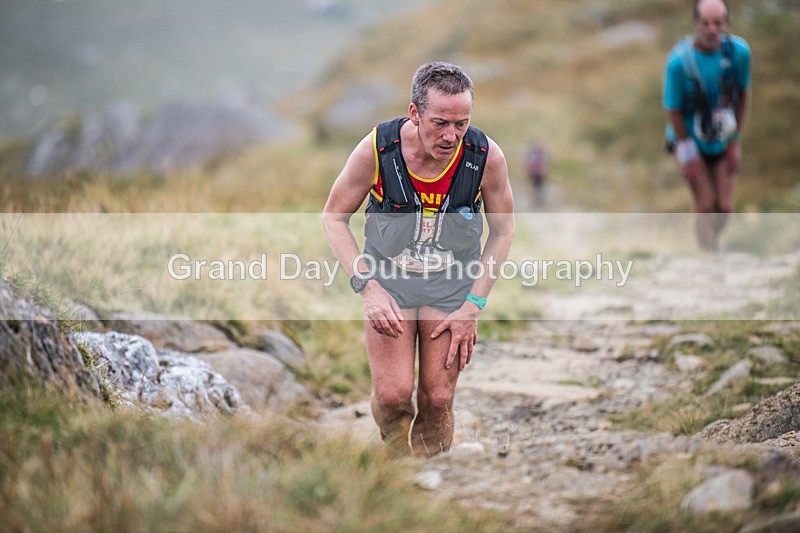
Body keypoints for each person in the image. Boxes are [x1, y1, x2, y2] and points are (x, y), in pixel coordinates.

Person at [322, 62, 515, 457]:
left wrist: (473, 305)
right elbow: (333, 217)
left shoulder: (485, 157)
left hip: (451, 287)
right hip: (387, 282)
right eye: (440, 122)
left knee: (438, 397)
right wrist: (368, 288)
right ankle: (397, 468)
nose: (450, 136)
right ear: (415, 113)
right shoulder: (376, 149)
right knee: (393, 397)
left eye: (461, 123)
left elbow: (503, 231)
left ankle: (434, 477)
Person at [663, 0, 751, 251]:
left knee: (723, 207)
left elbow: (744, 95)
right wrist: (688, 152)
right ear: (695, 24)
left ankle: (712, 244)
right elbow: (673, 109)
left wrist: (736, 142)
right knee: (704, 205)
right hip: (688, 140)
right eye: (705, 23)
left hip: (723, 140)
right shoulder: (678, 63)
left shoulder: (739, 53)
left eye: (718, 23)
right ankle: (708, 256)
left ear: (726, 24)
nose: (712, 29)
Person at [524, 142, 550, 208]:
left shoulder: (533, 155)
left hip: (536, 174)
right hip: (537, 174)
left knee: (537, 188)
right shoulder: (540, 155)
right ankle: (537, 202)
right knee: (537, 188)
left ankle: (537, 202)